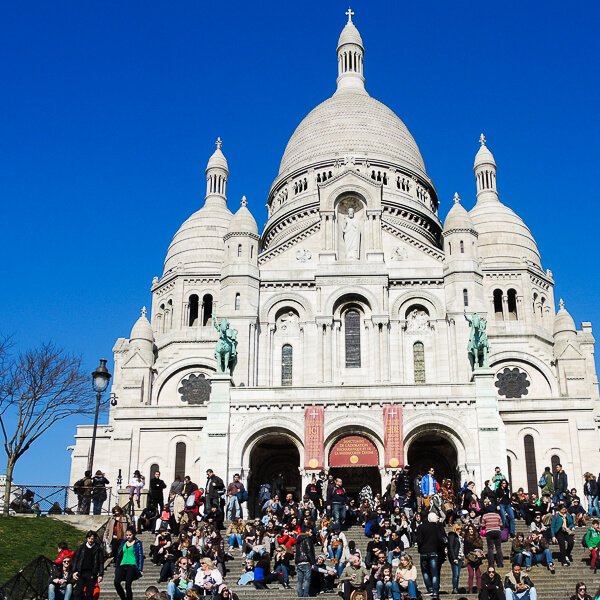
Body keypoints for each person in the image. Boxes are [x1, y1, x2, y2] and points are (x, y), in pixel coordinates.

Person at [416, 512, 446, 600]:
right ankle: (435, 592)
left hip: (424, 551)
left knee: (425, 572)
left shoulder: (420, 527)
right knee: (434, 573)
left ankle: (430, 589)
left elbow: (419, 540)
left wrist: (420, 548)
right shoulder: (436, 527)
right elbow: (441, 539)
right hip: (433, 551)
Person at [72, 531, 104, 600]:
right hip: (81, 573)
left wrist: (101, 574)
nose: (90, 540)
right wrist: (74, 571)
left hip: (92, 573)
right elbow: (76, 559)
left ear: (95, 539)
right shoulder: (81, 548)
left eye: (92, 539)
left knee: (89, 594)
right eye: (89, 538)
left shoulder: (98, 549)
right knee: (78, 592)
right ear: (87, 538)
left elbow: (101, 562)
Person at [113, 527, 144, 600]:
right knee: (116, 582)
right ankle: (123, 598)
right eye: (127, 535)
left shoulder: (137, 543)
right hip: (122, 564)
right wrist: (117, 566)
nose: (128, 537)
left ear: (133, 535)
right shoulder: (123, 542)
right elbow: (119, 554)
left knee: (128, 585)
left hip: (132, 565)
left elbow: (140, 556)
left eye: (130, 535)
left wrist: (140, 569)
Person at [295, 525, 315, 597]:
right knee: (307, 579)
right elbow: (309, 551)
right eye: (310, 532)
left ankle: (300, 594)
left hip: (299, 562)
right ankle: (305, 594)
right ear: (307, 532)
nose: (311, 533)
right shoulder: (307, 539)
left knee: (300, 580)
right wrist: (312, 562)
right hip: (306, 561)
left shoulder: (298, 540)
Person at [464, 524, 485, 593]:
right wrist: (473, 553)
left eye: (472, 529)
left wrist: (479, 552)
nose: (471, 531)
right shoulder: (466, 538)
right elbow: (465, 550)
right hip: (470, 558)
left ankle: (479, 589)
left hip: (478, 559)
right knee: (471, 574)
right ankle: (470, 589)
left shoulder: (478, 538)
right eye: (470, 529)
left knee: (478, 575)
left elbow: (481, 547)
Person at [448, 523, 465, 594]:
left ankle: (456, 588)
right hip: (455, 557)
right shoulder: (452, 535)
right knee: (456, 574)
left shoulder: (460, 537)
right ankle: (455, 588)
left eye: (461, 529)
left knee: (458, 575)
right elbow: (450, 547)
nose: (459, 530)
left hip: (460, 557)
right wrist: (454, 558)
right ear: (455, 529)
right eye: (458, 529)